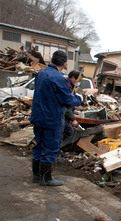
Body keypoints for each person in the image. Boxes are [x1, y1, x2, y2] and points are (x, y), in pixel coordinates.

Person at [30, 50, 82, 186]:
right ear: (65, 63)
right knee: (51, 147)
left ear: (52, 59)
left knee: (39, 145)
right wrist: (79, 98)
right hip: (51, 118)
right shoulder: (58, 78)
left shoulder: (41, 73)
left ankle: (36, 175)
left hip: (38, 116)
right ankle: (46, 178)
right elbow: (67, 100)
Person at [62, 70, 82, 140]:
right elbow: (67, 105)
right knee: (68, 132)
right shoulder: (67, 87)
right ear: (73, 78)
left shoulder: (70, 87)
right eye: (79, 80)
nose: (79, 83)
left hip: (65, 114)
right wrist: (73, 119)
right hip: (62, 114)